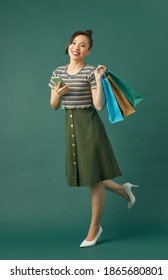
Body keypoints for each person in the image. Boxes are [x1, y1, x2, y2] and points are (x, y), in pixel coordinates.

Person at [48, 30, 139, 248]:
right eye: (73, 43)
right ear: (68, 46)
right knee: (88, 174)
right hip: (70, 125)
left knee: (94, 179)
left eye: (82, 45)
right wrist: (58, 95)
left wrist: (98, 78)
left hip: (89, 124)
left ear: (88, 51)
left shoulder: (90, 72)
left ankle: (95, 228)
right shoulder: (58, 72)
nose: (76, 47)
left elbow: (98, 105)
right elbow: (53, 105)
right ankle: (121, 189)